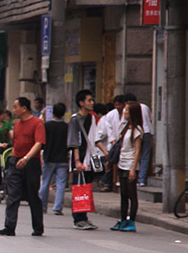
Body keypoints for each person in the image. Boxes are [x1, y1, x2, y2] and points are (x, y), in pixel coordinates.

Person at [0, 96, 46, 236]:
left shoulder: (37, 123)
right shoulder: (17, 125)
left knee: (32, 195)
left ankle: (38, 227)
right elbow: (16, 144)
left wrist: (26, 158)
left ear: (24, 108)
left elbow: (39, 143)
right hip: (16, 161)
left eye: (15, 107)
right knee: (12, 194)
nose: (13, 110)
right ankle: (9, 227)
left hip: (31, 163)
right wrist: (13, 158)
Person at [67, 89, 102, 230]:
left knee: (86, 188)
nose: (92, 103)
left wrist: (105, 153)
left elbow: (95, 139)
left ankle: (84, 216)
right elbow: (74, 141)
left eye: (92, 100)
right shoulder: (75, 119)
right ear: (81, 103)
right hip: (80, 158)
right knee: (79, 188)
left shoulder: (92, 118)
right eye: (89, 100)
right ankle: (78, 219)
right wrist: (77, 161)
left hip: (90, 158)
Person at [111, 101, 145, 232]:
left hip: (130, 164)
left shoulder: (137, 130)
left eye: (127, 110)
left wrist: (133, 169)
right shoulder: (125, 128)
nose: (124, 112)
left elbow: (137, 151)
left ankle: (132, 221)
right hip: (122, 163)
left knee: (132, 194)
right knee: (123, 194)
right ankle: (123, 219)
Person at [37, 101, 69, 215]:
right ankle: (57, 208)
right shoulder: (67, 127)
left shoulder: (47, 126)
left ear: (53, 113)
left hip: (49, 157)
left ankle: (42, 206)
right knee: (61, 184)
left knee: (45, 182)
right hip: (63, 159)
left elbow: (42, 142)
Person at [124, 92, 153, 186]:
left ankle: (138, 177)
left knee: (136, 153)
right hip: (147, 131)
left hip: (137, 131)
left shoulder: (132, 108)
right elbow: (150, 118)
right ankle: (141, 179)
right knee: (145, 156)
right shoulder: (145, 107)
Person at [97, 95, 126, 191]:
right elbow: (109, 131)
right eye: (116, 105)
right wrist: (113, 141)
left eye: (119, 105)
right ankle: (108, 183)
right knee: (110, 161)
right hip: (113, 142)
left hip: (124, 140)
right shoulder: (110, 115)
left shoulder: (127, 113)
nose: (118, 107)